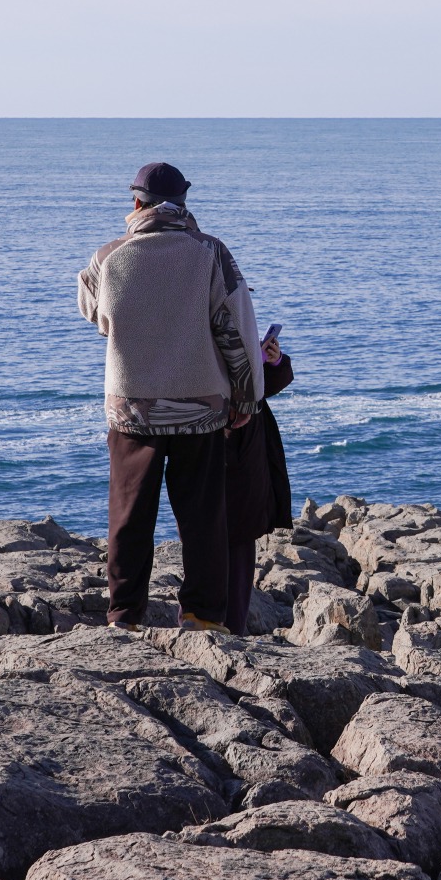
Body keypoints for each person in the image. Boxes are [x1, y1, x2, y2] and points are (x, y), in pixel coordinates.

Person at [78, 161, 263, 632]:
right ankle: (202, 616)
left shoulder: (107, 256)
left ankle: (124, 615)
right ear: (184, 201)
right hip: (200, 405)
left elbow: (94, 313)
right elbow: (235, 331)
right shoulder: (211, 253)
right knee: (202, 517)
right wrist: (246, 398)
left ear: (135, 202)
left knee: (129, 515)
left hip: (131, 406)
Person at [222, 331, 295, 634]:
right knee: (223, 534)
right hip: (224, 440)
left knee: (242, 535)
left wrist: (272, 362)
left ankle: (232, 627)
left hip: (247, 443)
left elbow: (263, 387)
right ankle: (212, 623)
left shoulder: (235, 322)